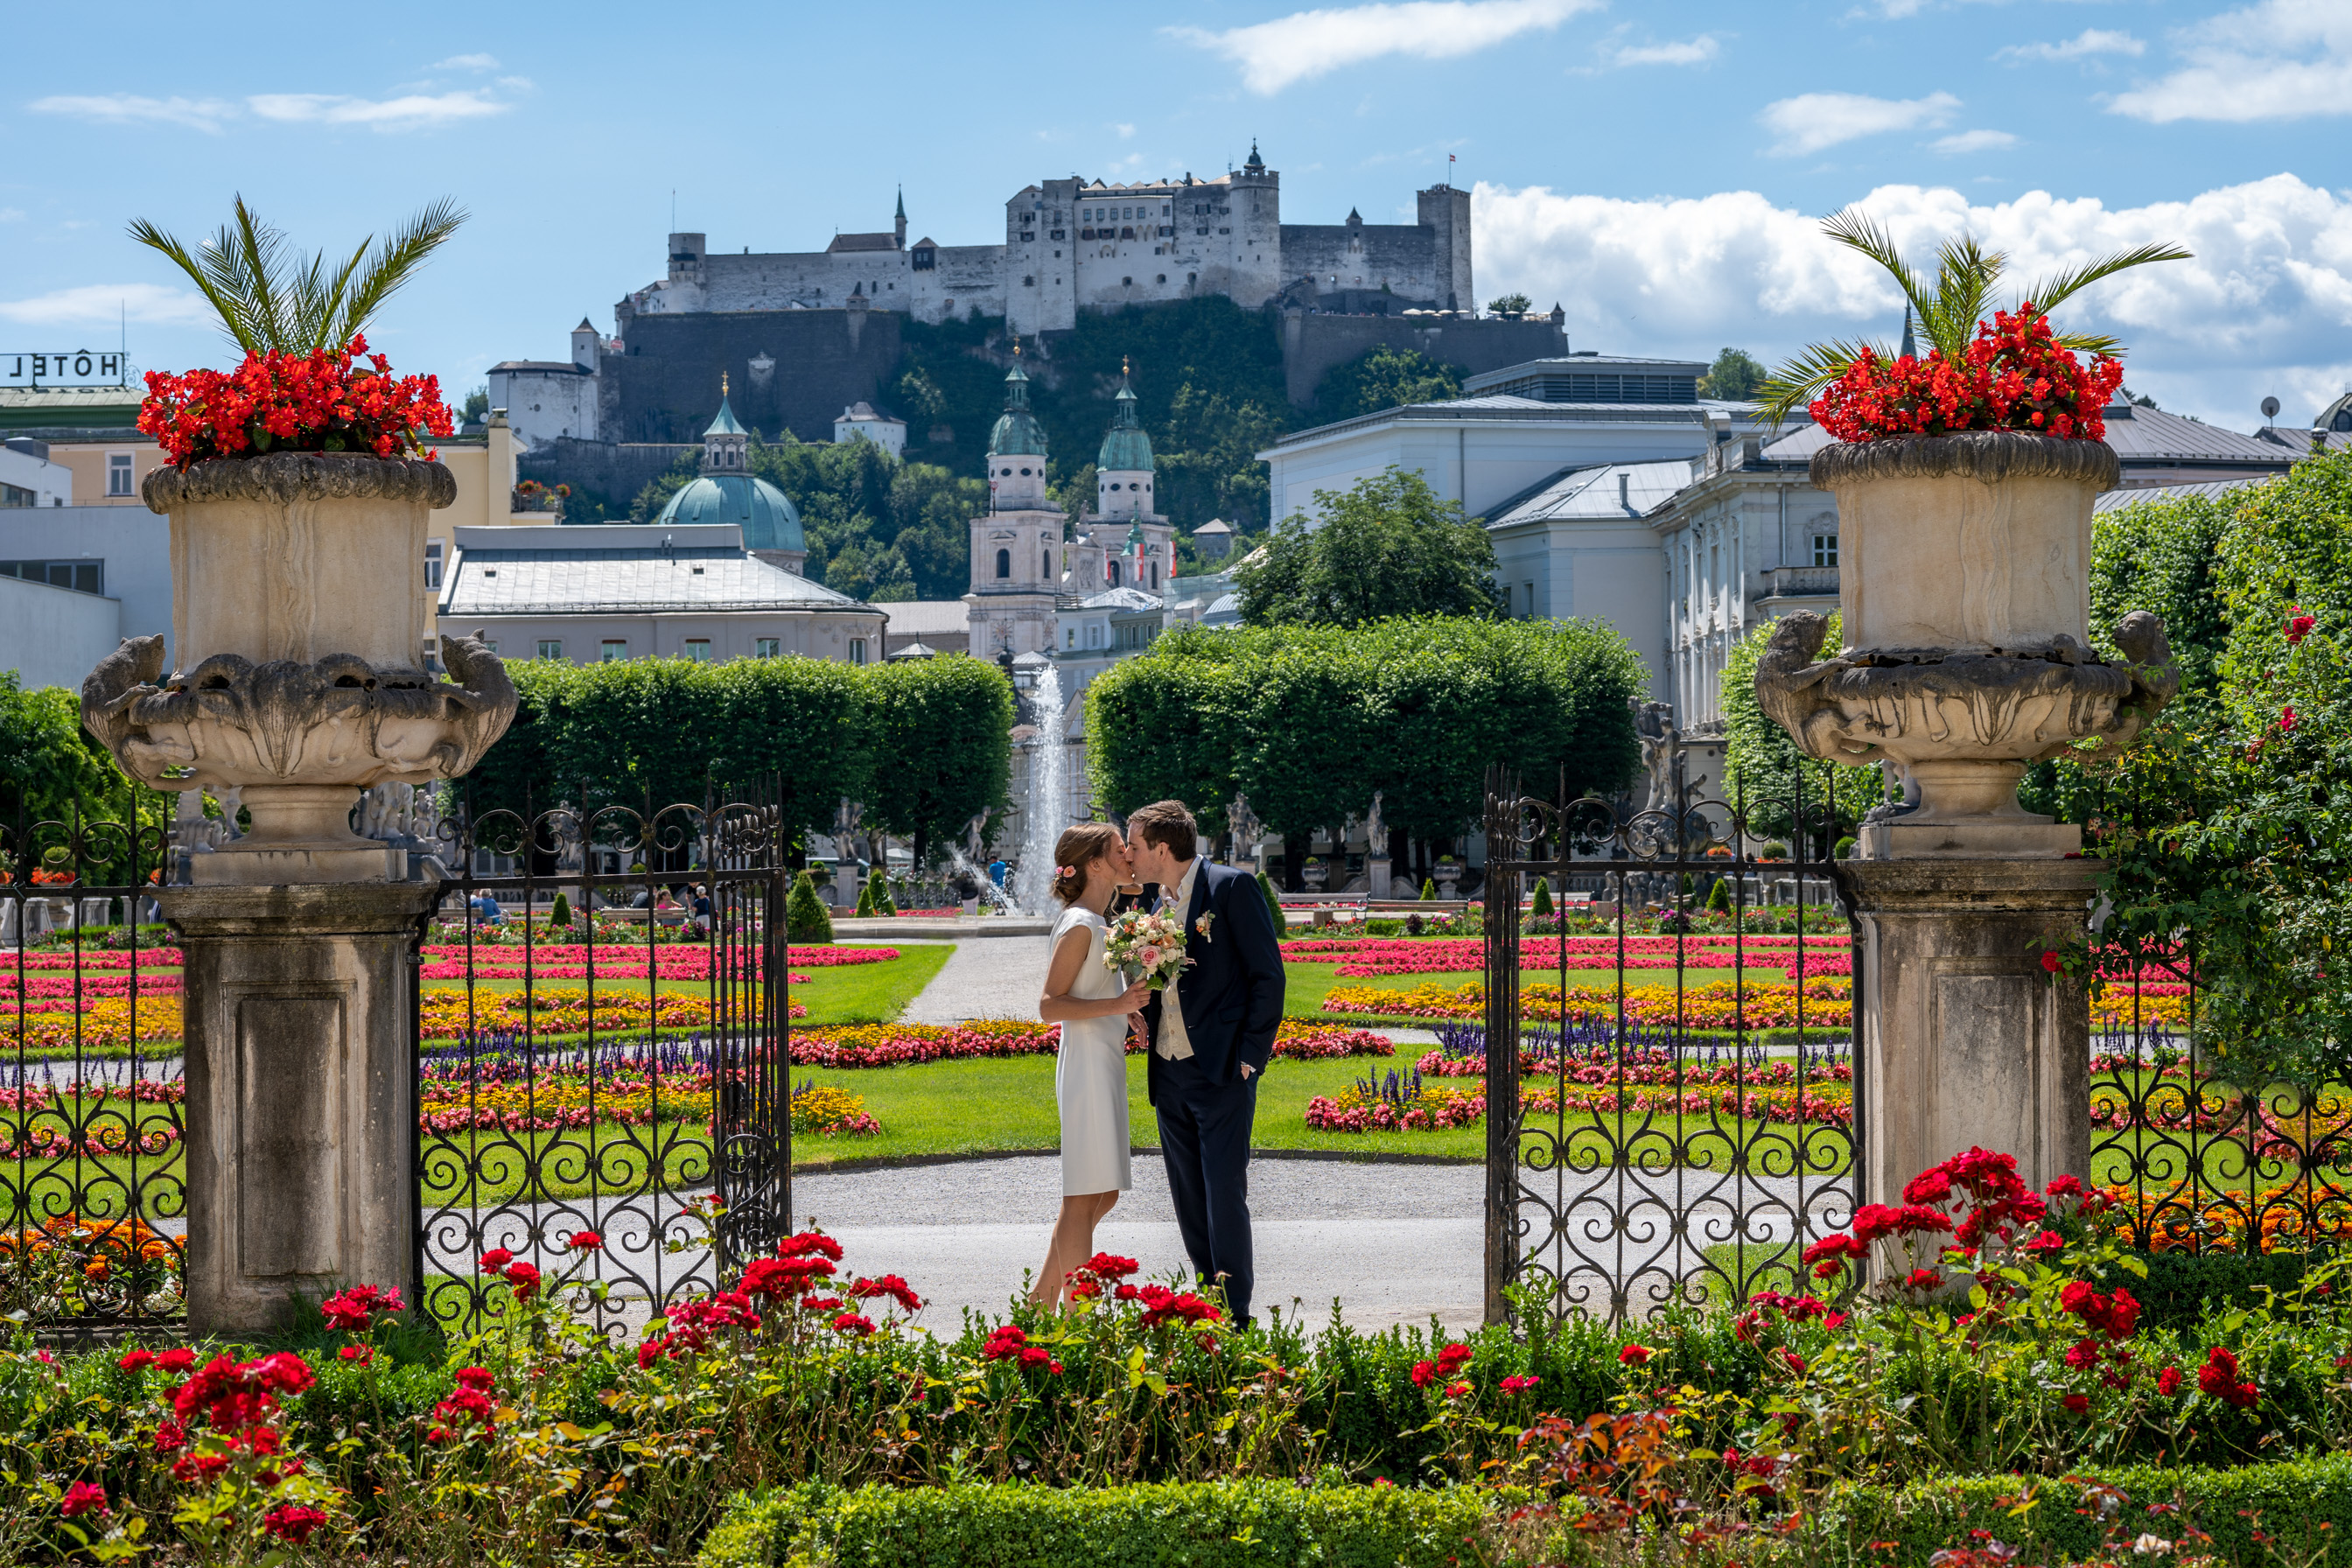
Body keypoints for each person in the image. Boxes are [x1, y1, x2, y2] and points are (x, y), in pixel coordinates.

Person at [1124, 800, 1285, 1326]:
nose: (1129, 853)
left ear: (1162, 848)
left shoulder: (1231, 888)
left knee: (1223, 1192)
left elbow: (1269, 977)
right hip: (1168, 1070)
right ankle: (1205, 1305)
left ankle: (1236, 1314)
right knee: (1188, 1195)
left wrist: (1250, 1058)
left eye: (1135, 844)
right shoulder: (1153, 904)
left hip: (1222, 1069)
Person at [1032, 823, 1152, 1308]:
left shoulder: (1096, 920)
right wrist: (1118, 1004)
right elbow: (1049, 1006)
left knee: (1101, 1195)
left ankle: (1039, 1301)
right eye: (1120, 849)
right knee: (1084, 1197)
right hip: (1085, 1068)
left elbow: (1087, 994)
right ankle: (1078, 1317)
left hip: (1099, 1064)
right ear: (1096, 865)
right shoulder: (1082, 923)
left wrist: (1127, 1009)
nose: (1129, 855)